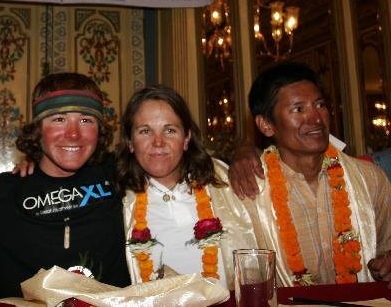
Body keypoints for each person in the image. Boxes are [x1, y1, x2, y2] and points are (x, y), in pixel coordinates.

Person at [0, 73, 130, 298]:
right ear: (38, 129)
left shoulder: (119, 175)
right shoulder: (1, 194)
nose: (74, 134)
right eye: (59, 119)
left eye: (86, 120)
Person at [243, 62, 391, 286]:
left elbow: (387, 247)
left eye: (320, 105)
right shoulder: (249, 191)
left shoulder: (369, 178)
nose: (316, 118)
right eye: (298, 109)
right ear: (266, 125)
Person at [115, 85, 257, 289]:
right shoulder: (117, 201)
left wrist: (247, 148)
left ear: (186, 139)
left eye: (170, 130)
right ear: (130, 142)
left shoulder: (225, 184)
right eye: (145, 131)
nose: (158, 142)